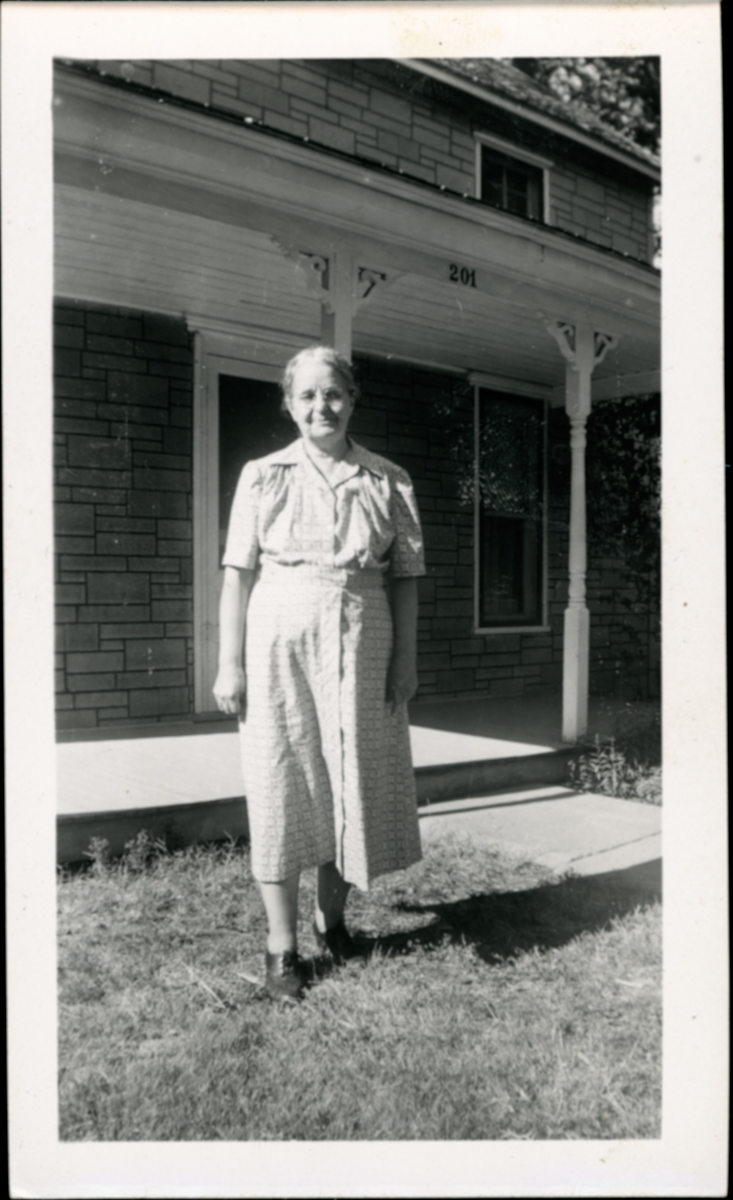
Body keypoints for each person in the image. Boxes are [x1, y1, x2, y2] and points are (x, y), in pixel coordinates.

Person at [213, 345, 425, 1002]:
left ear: (352, 399)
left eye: (332, 393)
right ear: (288, 404)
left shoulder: (389, 479)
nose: (320, 406)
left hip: (363, 637)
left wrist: (405, 660)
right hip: (278, 640)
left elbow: (406, 579)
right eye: (305, 395)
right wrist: (228, 663)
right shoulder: (262, 475)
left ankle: (331, 922)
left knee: (348, 778)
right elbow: (236, 576)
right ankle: (281, 948)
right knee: (280, 780)